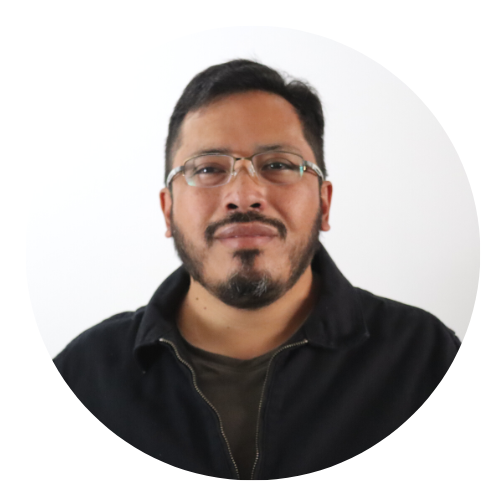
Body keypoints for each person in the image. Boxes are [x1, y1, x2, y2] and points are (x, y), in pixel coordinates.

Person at [54, 59, 460, 480]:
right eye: (208, 168)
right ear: (168, 209)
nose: (244, 194)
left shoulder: (426, 360)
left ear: (324, 203)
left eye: (278, 165)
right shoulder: (81, 379)